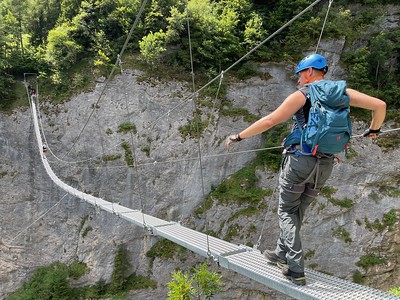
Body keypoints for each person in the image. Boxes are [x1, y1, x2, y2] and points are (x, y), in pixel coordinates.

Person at [225, 53, 386, 286]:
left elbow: (270, 120)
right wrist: (374, 130)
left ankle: (295, 268)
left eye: (300, 74)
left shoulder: (302, 94)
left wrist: (238, 136)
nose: (298, 79)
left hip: (300, 161)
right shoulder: (343, 92)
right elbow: (380, 105)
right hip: (326, 164)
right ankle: (281, 252)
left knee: (287, 211)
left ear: (309, 72)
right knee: (298, 210)